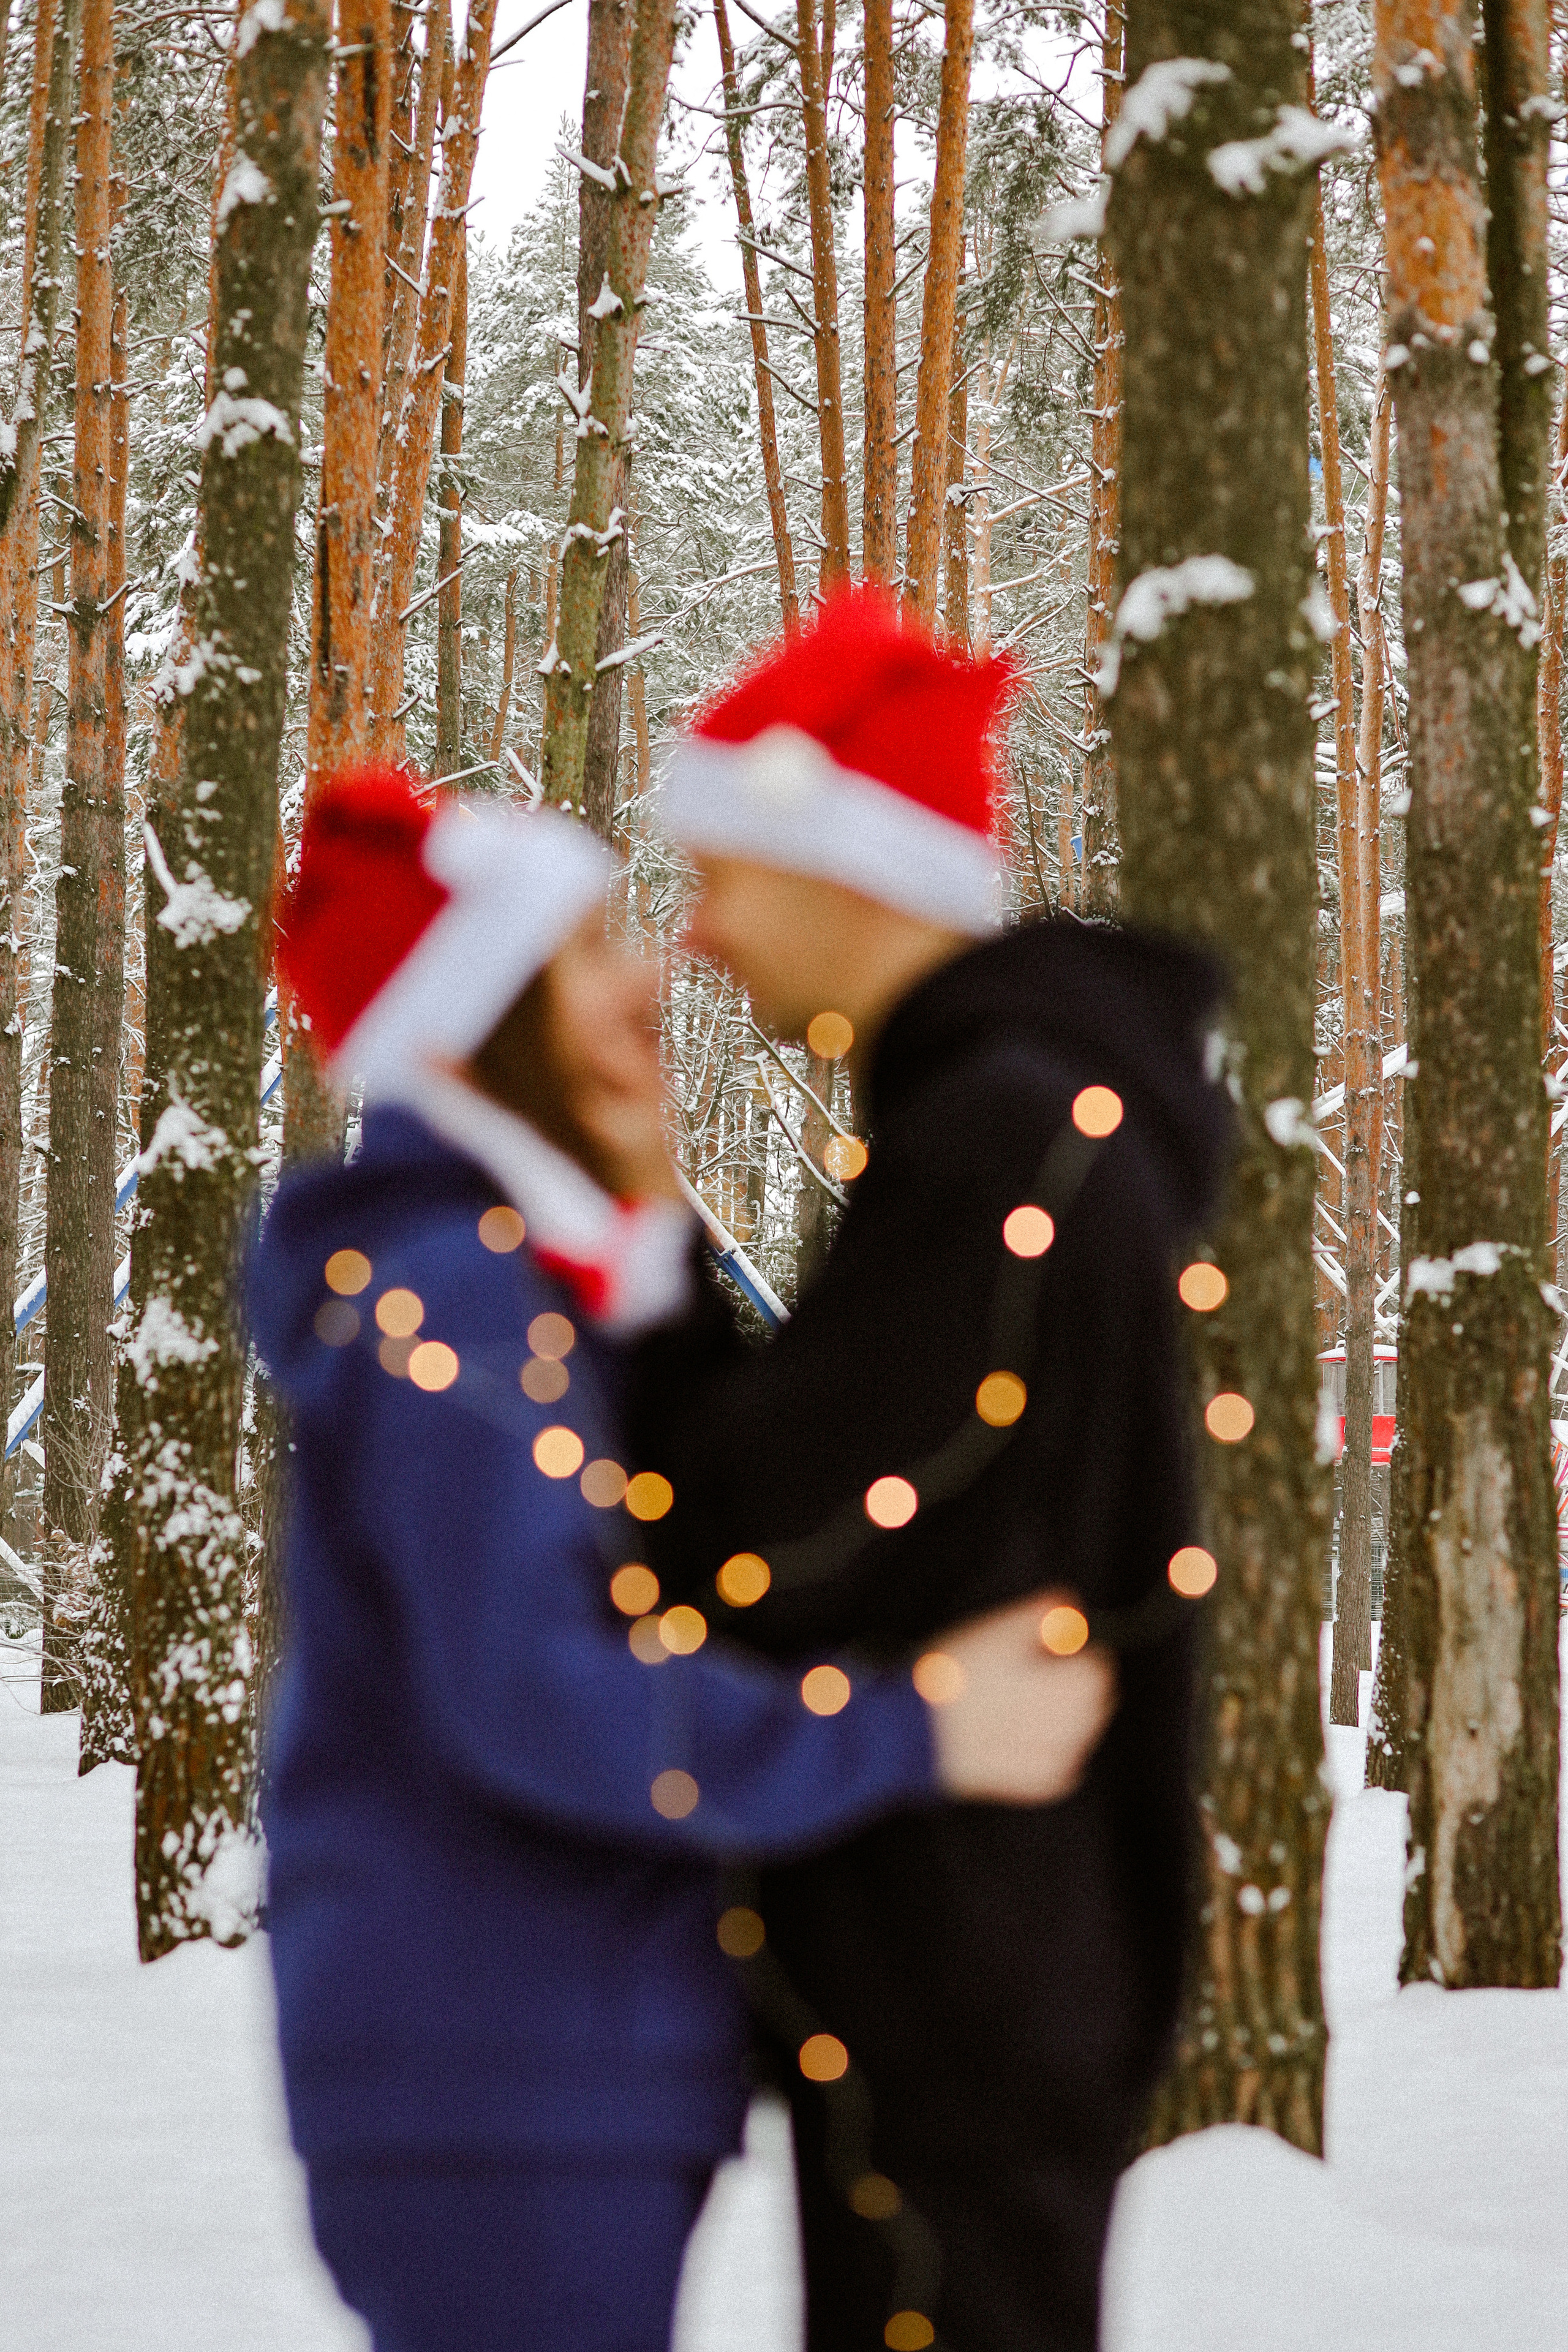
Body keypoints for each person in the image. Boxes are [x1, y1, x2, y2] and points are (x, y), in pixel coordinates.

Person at [247, 763, 1117, 2352]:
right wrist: (916, 1724)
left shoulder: (496, 1285)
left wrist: (647, 1246)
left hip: (529, 2068)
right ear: (475, 1021)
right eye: (588, 951)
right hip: (501, 2074)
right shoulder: (453, 1299)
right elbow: (538, 1695)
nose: (649, 975)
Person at [626, 587, 1233, 2352]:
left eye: (726, 874)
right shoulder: (1014, 1113)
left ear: (850, 871)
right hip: (979, 1972)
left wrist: (647, 1260)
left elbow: (769, 1532)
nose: (705, 939)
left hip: (964, 1979)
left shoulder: (1002, 1138)